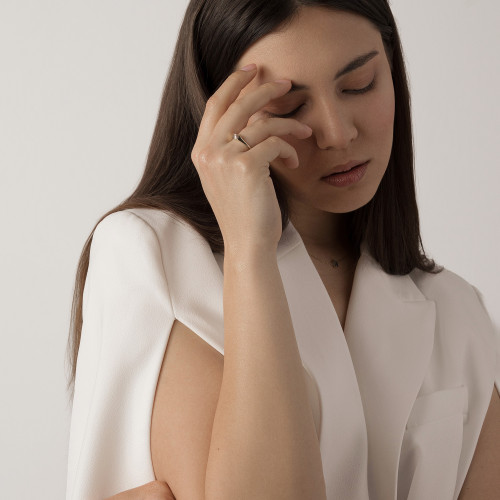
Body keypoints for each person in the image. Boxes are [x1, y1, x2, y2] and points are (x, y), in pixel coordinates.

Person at [65, 1, 500, 499]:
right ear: (220, 115)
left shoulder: (456, 310)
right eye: (288, 108)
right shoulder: (155, 257)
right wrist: (250, 252)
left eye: (359, 85)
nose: (338, 134)